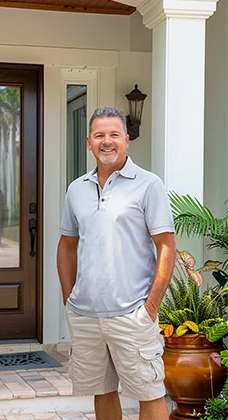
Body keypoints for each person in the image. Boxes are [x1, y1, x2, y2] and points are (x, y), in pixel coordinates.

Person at [57, 107, 176, 420]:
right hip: (85, 315)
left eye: (113, 135)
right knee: (103, 390)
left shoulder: (149, 185)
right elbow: (67, 244)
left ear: (126, 140)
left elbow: (166, 246)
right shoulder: (76, 189)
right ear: (88, 142)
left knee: (150, 393)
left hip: (133, 314)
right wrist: (69, 298)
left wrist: (150, 308)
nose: (106, 142)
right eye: (99, 135)